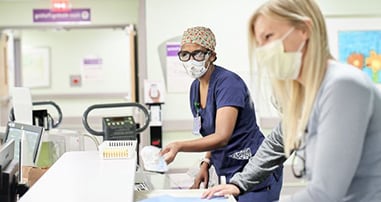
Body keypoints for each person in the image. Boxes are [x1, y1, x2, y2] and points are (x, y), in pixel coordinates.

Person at [202, 0, 381, 201]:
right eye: (259, 43)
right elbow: (277, 142)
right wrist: (238, 184)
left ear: (304, 29)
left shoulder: (343, 86)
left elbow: (325, 193)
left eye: (268, 37)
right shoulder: (307, 96)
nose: (263, 52)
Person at [159, 26, 283, 202]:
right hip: (228, 171)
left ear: (212, 56)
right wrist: (206, 162)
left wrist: (179, 146)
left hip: (254, 170)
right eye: (185, 54)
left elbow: (222, 136)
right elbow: (210, 133)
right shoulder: (195, 87)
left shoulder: (228, 83)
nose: (191, 60)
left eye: (198, 54)